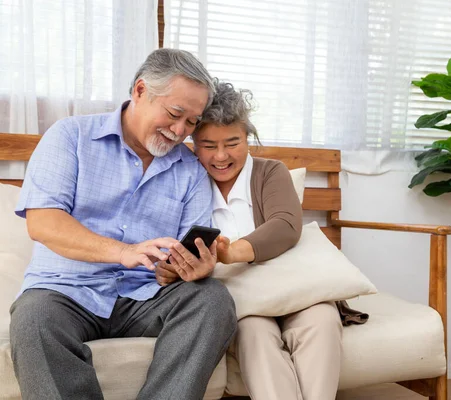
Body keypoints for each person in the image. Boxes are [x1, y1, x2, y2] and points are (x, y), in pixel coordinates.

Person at [9, 49, 237, 400]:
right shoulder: (70, 136)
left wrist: (188, 268)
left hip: (146, 297)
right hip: (65, 290)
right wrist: (122, 252)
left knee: (211, 299)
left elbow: (181, 257)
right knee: (33, 320)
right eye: (175, 114)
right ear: (141, 91)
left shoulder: (190, 170)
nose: (179, 131)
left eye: (192, 122)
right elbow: (43, 222)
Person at [156, 80, 343, 400]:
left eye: (233, 142)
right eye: (208, 145)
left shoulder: (270, 172)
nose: (221, 156)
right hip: (241, 300)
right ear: (193, 144)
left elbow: (285, 225)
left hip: (294, 287)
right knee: (254, 331)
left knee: (323, 319)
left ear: (248, 137)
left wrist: (231, 253)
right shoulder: (185, 182)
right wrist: (172, 268)